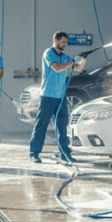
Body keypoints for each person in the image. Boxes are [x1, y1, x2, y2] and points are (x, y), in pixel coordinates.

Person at [28, 31, 86, 164]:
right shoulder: (48, 53)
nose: (65, 44)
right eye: (63, 42)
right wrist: (72, 62)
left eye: (66, 42)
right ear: (56, 40)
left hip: (60, 97)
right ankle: (34, 153)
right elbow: (57, 68)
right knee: (41, 125)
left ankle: (65, 154)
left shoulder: (66, 56)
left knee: (62, 127)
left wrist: (83, 59)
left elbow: (77, 69)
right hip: (47, 96)